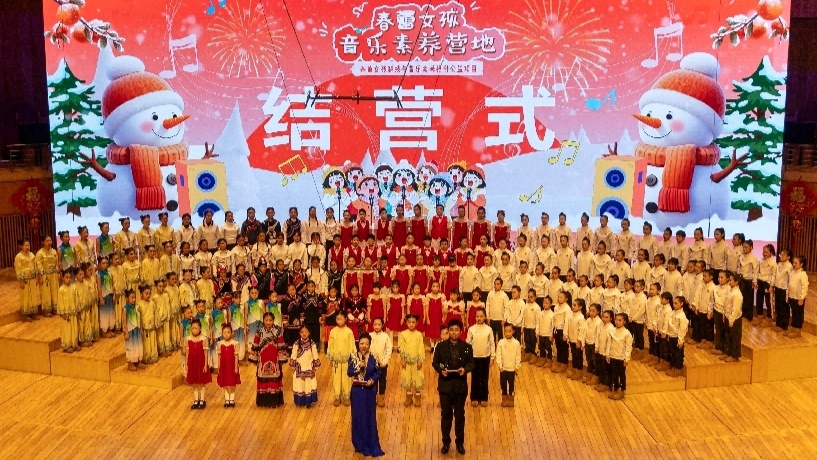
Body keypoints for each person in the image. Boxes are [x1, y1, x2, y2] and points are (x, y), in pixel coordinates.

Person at [432, 318, 474, 455]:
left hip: (460, 387)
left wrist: (465, 370)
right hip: (445, 386)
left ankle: (459, 443)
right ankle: (446, 442)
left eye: (456, 330)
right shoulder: (440, 346)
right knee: (446, 415)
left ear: (461, 331)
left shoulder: (467, 347)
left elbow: (471, 364)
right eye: (451, 330)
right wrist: (441, 371)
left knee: (460, 416)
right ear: (448, 331)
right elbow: (435, 363)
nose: (454, 332)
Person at [348, 333, 385, 457]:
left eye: (366, 344)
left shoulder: (374, 357)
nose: (364, 346)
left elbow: (378, 372)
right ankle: (358, 444)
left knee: (369, 417)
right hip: (357, 391)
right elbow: (349, 372)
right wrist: (358, 367)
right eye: (362, 343)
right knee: (357, 417)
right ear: (358, 344)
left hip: (369, 391)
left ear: (370, 344)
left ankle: (370, 443)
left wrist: (372, 380)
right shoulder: (353, 356)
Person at [249, 312, 288, 407]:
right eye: (266, 320)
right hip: (263, 360)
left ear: (273, 321)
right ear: (263, 321)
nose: (268, 322)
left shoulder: (277, 332)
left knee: (274, 379)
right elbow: (255, 345)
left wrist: (281, 359)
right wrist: (255, 359)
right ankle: (263, 402)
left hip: (275, 360)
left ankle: (274, 401)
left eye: (270, 320)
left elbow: (281, 346)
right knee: (263, 379)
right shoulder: (259, 332)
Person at [465, 307, 493, 406]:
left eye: (481, 316)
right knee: (475, 378)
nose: (479, 318)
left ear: (485, 317)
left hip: (485, 357)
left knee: (484, 377)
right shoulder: (471, 329)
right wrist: (467, 357)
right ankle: (474, 397)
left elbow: (492, 344)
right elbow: (468, 343)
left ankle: (484, 397)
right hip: (474, 357)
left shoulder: (489, 329)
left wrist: (492, 357)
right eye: (477, 316)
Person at [328, 310, 356, 406]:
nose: (339, 321)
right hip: (336, 359)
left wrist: (352, 358)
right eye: (337, 319)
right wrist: (331, 358)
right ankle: (337, 396)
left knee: (346, 378)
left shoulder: (349, 332)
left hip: (346, 360)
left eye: (341, 319)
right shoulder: (333, 331)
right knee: (336, 378)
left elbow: (352, 346)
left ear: (345, 319)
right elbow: (330, 345)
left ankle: (346, 396)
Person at [290, 324, 321, 408]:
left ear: (309, 333)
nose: (304, 333)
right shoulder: (296, 344)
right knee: (300, 385)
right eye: (302, 332)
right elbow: (293, 355)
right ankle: (300, 402)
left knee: (309, 385)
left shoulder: (312, 344)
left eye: (306, 332)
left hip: (309, 367)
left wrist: (315, 366)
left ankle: (309, 402)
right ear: (299, 333)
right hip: (299, 368)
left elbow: (315, 355)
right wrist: (293, 366)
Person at [398, 314, 425, 407]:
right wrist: (403, 359)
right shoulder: (403, 334)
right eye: (409, 322)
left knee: (417, 380)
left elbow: (421, 348)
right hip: (407, 362)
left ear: (416, 323)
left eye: (413, 322)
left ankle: (417, 398)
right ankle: (409, 398)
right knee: (407, 379)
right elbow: (401, 347)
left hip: (416, 362)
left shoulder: (419, 335)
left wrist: (420, 360)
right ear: (406, 323)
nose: (411, 324)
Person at [606, 312, 633, 400]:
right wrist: (607, 354)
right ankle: (615, 389)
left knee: (621, 375)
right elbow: (609, 343)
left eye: (620, 320)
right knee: (613, 373)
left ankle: (621, 391)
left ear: (624, 322)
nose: (617, 322)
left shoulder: (627, 333)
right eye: (616, 320)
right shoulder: (612, 331)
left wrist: (626, 359)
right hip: (613, 356)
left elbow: (628, 347)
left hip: (621, 358)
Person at [185, 318, 211, 409]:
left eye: (196, 328)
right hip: (192, 363)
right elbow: (187, 353)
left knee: (201, 382)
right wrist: (186, 365)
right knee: (194, 383)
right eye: (192, 328)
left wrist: (205, 365)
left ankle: (202, 400)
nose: (194, 330)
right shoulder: (188, 339)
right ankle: (196, 400)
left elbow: (206, 353)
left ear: (200, 328)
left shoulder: (203, 339)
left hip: (200, 363)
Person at [496, 323, 521, 407]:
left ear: (513, 331)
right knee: (503, 384)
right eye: (505, 331)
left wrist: (517, 366)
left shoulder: (516, 343)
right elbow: (498, 355)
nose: (507, 333)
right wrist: (500, 366)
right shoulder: (501, 343)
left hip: (512, 369)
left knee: (511, 384)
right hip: (503, 369)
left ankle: (510, 398)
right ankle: (504, 397)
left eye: (509, 331)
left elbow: (518, 356)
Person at [369, 317, 392, 407]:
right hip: (372, 364)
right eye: (375, 324)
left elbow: (389, 349)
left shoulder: (385, 336)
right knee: (372, 380)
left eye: (379, 324)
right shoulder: (370, 335)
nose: (377, 326)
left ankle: (381, 397)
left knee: (382, 381)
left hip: (382, 363)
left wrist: (385, 361)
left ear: (382, 325)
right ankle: (373, 397)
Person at [216, 323, 241, 407]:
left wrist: (236, 367)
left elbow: (236, 356)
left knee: (232, 383)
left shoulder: (235, 343)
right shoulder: (220, 344)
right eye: (224, 333)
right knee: (225, 383)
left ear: (232, 333)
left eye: (228, 332)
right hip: (224, 366)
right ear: (222, 334)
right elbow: (219, 356)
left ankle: (232, 399)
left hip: (232, 366)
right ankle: (227, 399)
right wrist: (219, 367)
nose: (226, 334)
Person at [15, 239, 39, 321]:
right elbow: (18, 270)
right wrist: (20, 281)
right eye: (25, 245)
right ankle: (25, 315)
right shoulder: (18, 257)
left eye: (28, 245)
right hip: (24, 280)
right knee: (25, 297)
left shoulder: (32, 254)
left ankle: (33, 313)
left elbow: (35, 266)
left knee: (33, 296)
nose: (27, 247)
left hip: (32, 279)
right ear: (21, 246)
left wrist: (36, 277)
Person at [786, 255, 809, 338]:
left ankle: (798, 331)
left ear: (801, 264)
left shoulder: (803, 274)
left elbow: (804, 287)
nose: (794, 264)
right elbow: (789, 284)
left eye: (796, 263)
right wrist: (787, 295)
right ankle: (793, 327)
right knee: (794, 313)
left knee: (798, 314)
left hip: (799, 298)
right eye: (793, 263)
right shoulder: (792, 272)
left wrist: (802, 298)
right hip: (792, 296)